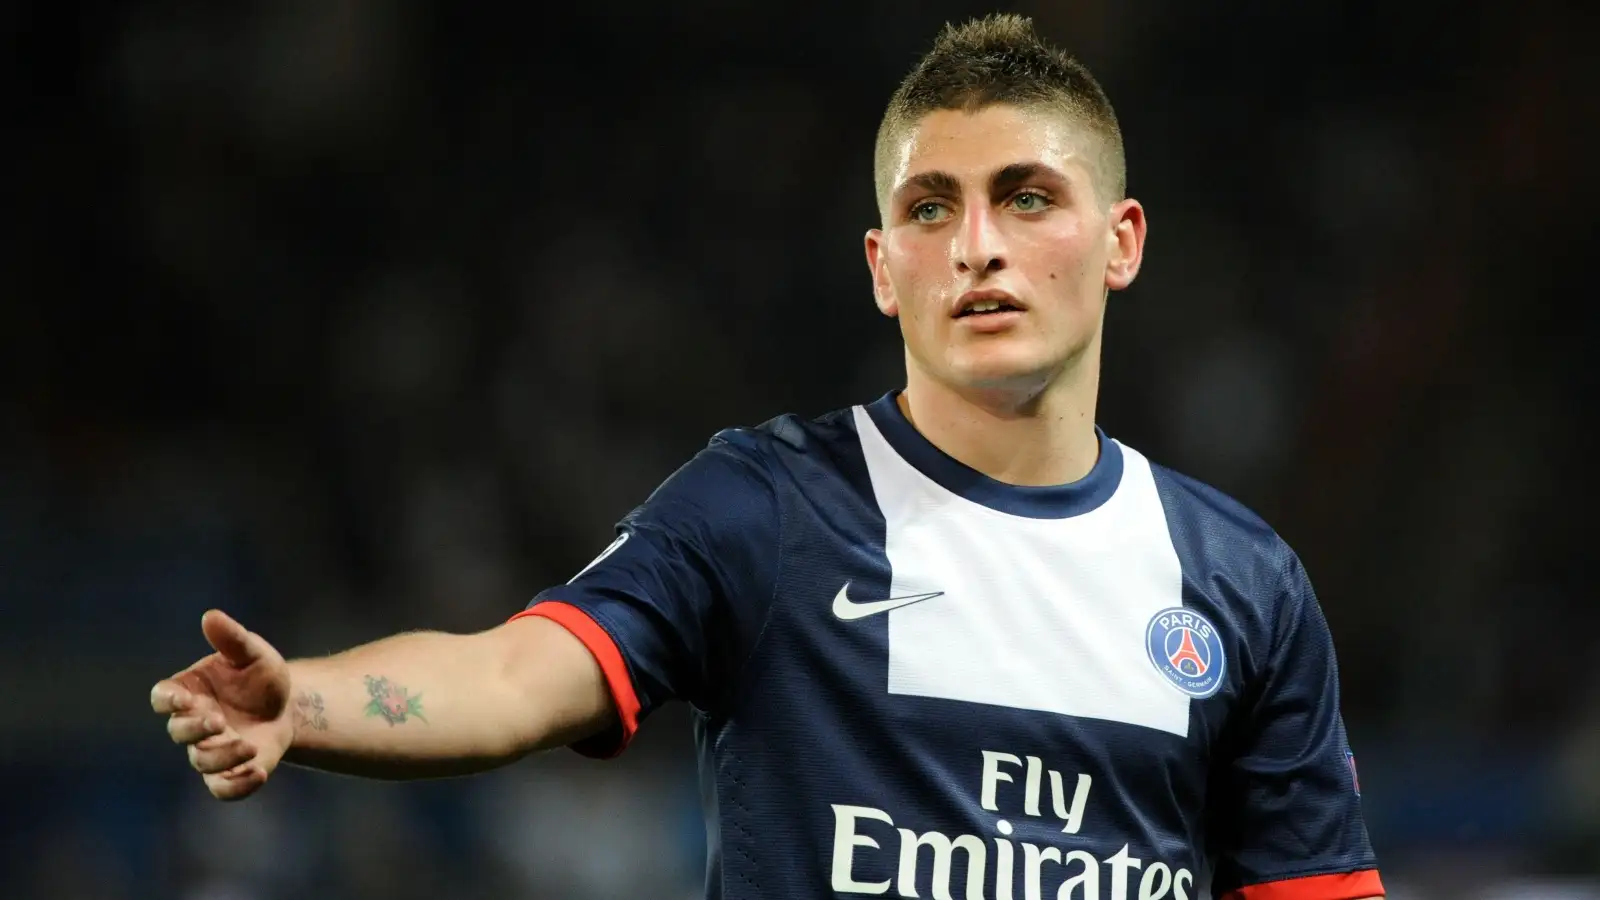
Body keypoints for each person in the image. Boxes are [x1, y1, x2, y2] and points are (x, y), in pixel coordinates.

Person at [150, 14, 1383, 900]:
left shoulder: (1238, 583)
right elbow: (516, 676)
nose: (976, 248)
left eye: (1025, 196)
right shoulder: (768, 508)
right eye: (929, 208)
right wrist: (304, 702)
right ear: (880, 267)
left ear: (1119, 242)